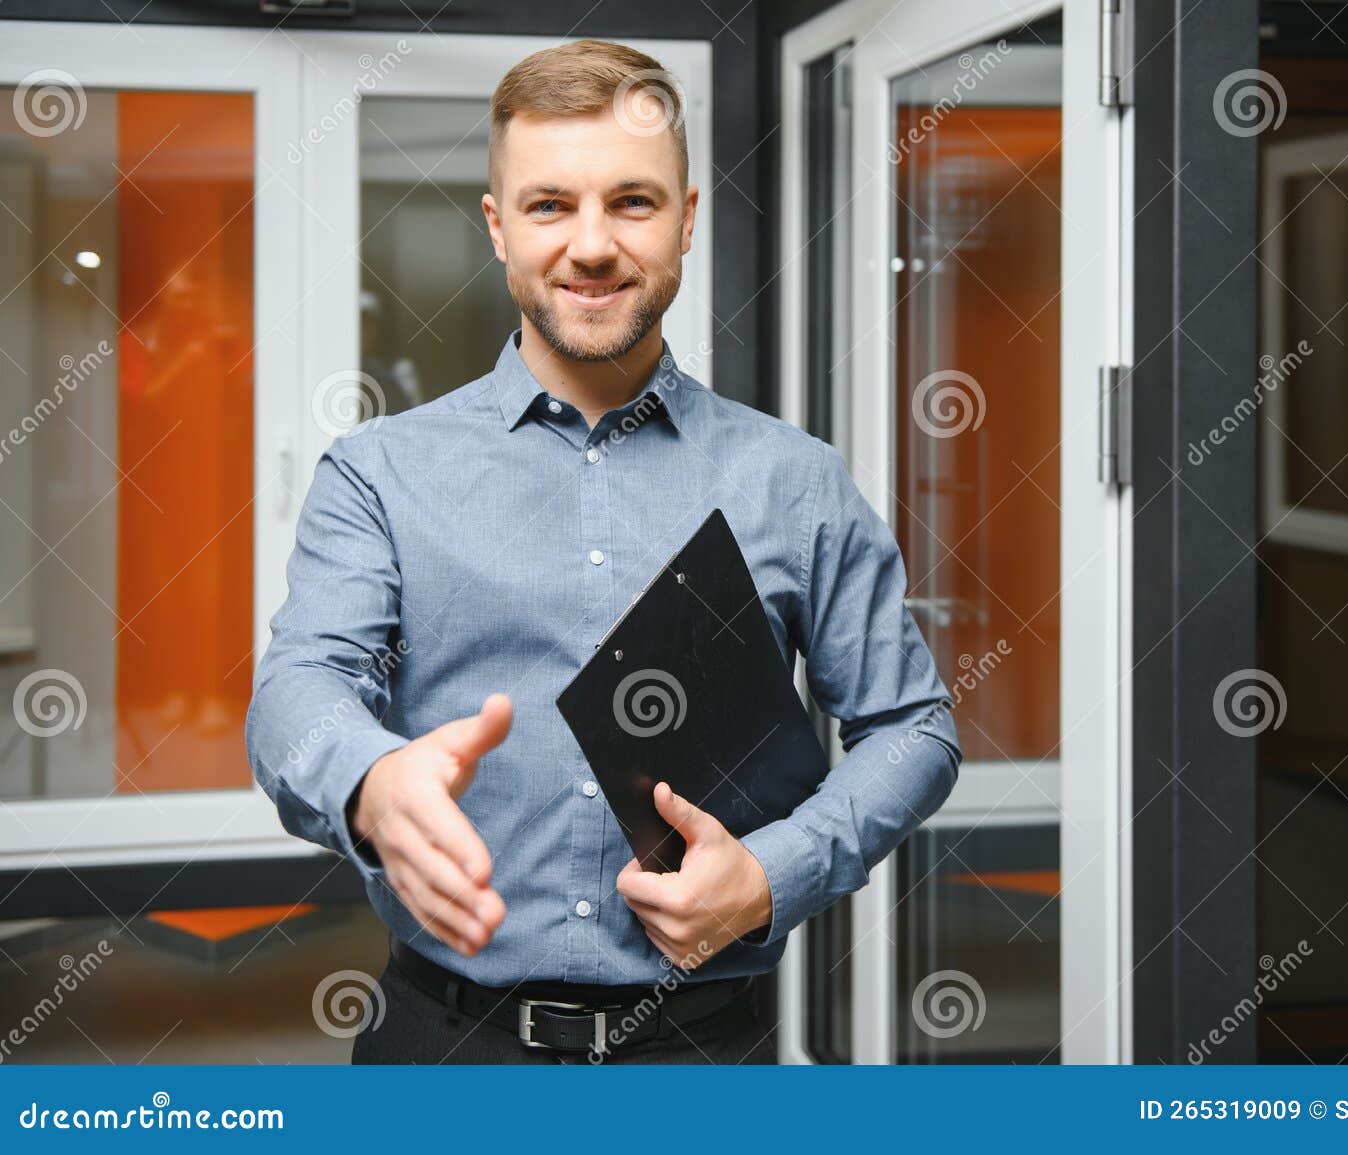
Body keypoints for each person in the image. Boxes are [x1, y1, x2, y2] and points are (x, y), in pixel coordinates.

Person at [244, 38, 961, 1065]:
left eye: (632, 202)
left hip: (704, 1060)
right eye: (549, 205)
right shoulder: (378, 472)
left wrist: (776, 872)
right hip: (443, 1052)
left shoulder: (793, 480)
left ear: (686, 218)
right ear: (499, 226)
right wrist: (369, 781)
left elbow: (912, 726)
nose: (591, 245)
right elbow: (298, 687)